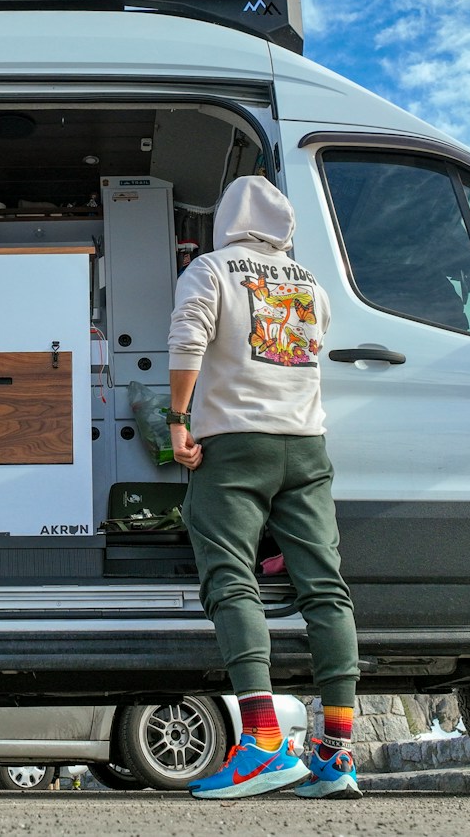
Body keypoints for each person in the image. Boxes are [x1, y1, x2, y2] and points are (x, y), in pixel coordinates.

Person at [165, 175, 361, 801]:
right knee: (326, 589)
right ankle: (335, 753)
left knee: (231, 581)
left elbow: (188, 336)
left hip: (234, 449)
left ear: (226, 220)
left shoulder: (211, 270)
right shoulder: (310, 285)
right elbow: (310, 350)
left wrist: (177, 418)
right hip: (306, 449)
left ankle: (263, 744)